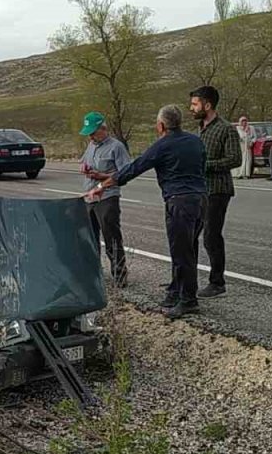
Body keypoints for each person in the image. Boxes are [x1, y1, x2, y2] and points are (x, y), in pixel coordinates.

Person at [86, 105, 206, 318]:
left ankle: (188, 300)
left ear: (161, 125)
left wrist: (103, 184)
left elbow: (134, 168)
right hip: (201, 199)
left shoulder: (162, 145)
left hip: (179, 201)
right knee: (189, 248)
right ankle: (176, 290)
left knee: (181, 251)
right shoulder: (195, 141)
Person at [189, 86, 240, 298]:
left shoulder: (226, 129)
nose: (191, 108)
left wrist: (205, 165)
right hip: (199, 189)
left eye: (195, 104)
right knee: (190, 235)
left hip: (218, 190)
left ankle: (217, 282)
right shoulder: (200, 129)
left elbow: (235, 159)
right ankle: (186, 280)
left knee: (211, 236)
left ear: (207, 105)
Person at [79, 111, 132, 286]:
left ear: (103, 129)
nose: (91, 137)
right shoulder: (91, 145)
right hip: (90, 196)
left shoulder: (116, 147)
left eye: (93, 133)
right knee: (90, 237)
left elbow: (125, 173)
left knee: (111, 237)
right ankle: (93, 273)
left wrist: (101, 176)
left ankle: (119, 274)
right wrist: (85, 168)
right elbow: (85, 162)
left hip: (108, 197)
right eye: (89, 134)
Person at [232, 116, 254, 180]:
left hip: (247, 145)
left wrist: (252, 142)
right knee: (240, 159)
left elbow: (254, 137)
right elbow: (235, 136)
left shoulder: (251, 128)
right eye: (242, 121)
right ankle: (238, 174)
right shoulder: (237, 128)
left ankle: (246, 174)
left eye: (245, 121)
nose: (244, 122)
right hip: (240, 145)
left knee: (247, 160)